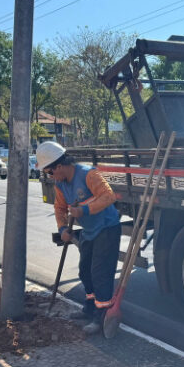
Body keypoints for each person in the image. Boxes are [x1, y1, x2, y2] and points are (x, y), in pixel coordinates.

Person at [37, 141, 121, 335]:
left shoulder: (88, 175)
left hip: (107, 228)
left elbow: (109, 197)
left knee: (100, 274)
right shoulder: (60, 184)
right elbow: (59, 208)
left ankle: (102, 317)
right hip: (89, 231)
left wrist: (84, 210)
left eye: (50, 172)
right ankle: (90, 308)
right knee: (85, 271)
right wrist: (63, 228)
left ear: (59, 166)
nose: (51, 176)